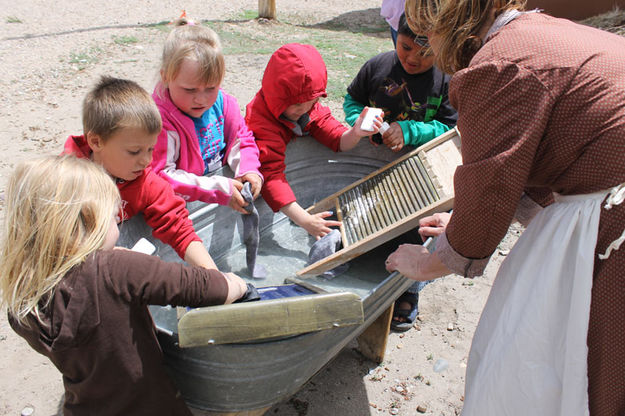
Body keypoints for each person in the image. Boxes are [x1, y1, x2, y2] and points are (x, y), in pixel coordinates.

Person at [385, 0, 625, 414]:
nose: (430, 47)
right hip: (601, 187)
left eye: (429, 35)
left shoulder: (497, 64)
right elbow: (546, 153)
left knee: (584, 361)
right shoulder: (540, 32)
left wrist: (426, 262)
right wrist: (463, 220)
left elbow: (490, 188)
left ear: (448, 21)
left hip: (613, 216)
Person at [0, 155, 248, 415]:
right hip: (152, 406)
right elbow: (203, 287)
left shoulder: (22, 302)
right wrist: (236, 283)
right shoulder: (117, 269)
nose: (118, 220)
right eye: (112, 217)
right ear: (88, 223)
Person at [344, 12, 457, 331]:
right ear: (396, 38)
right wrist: (361, 121)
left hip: (420, 173)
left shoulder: (446, 79)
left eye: (425, 52)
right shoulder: (376, 67)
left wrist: (410, 131)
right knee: (365, 215)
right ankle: (360, 262)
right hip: (372, 163)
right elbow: (352, 100)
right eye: (406, 47)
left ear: (440, 48)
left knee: (414, 229)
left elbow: (449, 128)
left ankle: (408, 289)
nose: (413, 58)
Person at [63, 76, 217, 269]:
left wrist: (214, 276)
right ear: (96, 142)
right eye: (134, 152)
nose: (146, 161)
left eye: (151, 149)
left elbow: (178, 228)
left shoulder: (144, 181)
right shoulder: (67, 182)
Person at [245, 43, 381, 239]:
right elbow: (271, 177)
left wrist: (356, 132)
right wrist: (306, 221)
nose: (304, 109)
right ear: (278, 96)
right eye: (298, 104)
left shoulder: (307, 107)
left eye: (312, 102)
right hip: (266, 200)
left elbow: (338, 140)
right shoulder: (261, 123)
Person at [151, 19, 263, 214]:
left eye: (211, 88)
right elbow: (161, 175)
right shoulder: (159, 122)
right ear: (166, 77)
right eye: (190, 89)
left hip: (216, 189)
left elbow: (241, 139)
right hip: (184, 209)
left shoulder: (223, 104)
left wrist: (248, 170)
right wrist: (217, 188)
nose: (200, 99)